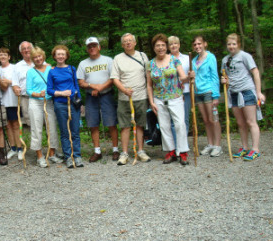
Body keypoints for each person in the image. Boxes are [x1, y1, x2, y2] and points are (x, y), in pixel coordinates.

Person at [221, 33, 266, 161]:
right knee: (240, 123)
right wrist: (225, 81)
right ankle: (244, 147)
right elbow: (227, 77)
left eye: (234, 44)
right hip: (234, 93)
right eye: (229, 44)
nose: (231, 46)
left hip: (246, 91)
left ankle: (255, 149)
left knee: (250, 121)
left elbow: (255, 72)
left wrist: (258, 92)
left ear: (238, 44)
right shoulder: (225, 60)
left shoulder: (245, 56)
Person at [147, 34, 190, 165]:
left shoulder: (174, 60)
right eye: (157, 45)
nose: (160, 48)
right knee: (164, 126)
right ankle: (170, 151)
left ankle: (182, 152)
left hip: (175, 97)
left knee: (180, 124)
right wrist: (151, 101)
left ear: (166, 46)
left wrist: (189, 77)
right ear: (154, 48)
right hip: (159, 99)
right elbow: (149, 84)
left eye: (163, 45)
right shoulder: (150, 64)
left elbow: (182, 77)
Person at [110, 33, 151, 165]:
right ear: (122, 45)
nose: (128, 43)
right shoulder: (117, 58)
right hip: (124, 98)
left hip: (141, 96)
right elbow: (114, 78)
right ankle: (125, 153)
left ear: (134, 43)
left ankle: (140, 151)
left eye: (130, 41)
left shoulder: (142, 56)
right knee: (125, 126)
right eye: (125, 41)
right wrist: (124, 90)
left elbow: (148, 75)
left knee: (140, 124)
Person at [77, 37, 119, 163]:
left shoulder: (108, 60)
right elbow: (80, 81)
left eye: (94, 45)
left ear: (99, 47)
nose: (92, 48)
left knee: (111, 122)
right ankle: (97, 151)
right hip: (91, 97)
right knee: (93, 123)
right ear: (87, 49)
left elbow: (113, 77)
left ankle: (115, 149)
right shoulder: (83, 64)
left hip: (107, 95)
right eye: (89, 46)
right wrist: (93, 86)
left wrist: (100, 87)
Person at [26, 47, 64, 167]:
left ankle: (52, 154)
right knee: (36, 129)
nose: (38, 59)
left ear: (43, 57)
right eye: (35, 57)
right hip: (35, 103)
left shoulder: (50, 69)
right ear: (32, 59)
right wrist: (38, 94)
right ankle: (39, 156)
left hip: (49, 102)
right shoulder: (30, 72)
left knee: (51, 128)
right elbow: (28, 89)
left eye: (39, 56)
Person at [47, 45, 83, 168]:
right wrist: (62, 93)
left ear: (66, 56)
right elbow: (49, 90)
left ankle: (77, 156)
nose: (61, 56)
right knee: (64, 131)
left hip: (73, 102)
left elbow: (76, 86)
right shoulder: (52, 72)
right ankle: (68, 156)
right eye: (58, 54)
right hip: (60, 104)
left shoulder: (72, 69)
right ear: (55, 56)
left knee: (75, 131)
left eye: (63, 54)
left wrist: (79, 100)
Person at [189, 35, 222, 157]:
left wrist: (216, 95)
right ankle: (210, 144)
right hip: (198, 93)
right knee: (206, 120)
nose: (197, 46)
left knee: (213, 119)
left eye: (199, 44)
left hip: (208, 91)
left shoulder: (210, 57)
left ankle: (218, 145)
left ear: (205, 44)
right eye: (195, 44)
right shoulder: (193, 60)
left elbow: (214, 76)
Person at [0, 48, 23, 161]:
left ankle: (20, 148)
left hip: (14, 100)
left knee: (16, 125)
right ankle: (13, 148)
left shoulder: (14, 68)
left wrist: (8, 82)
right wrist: (1, 82)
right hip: (2, 102)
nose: (3, 57)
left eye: (5, 55)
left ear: (9, 57)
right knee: (7, 126)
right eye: (1, 55)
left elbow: (20, 82)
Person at [168, 36, 191, 135]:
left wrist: (185, 78)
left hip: (185, 92)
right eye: (171, 44)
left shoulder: (186, 58)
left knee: (184, 118)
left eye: (175, 43)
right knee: (173, 120)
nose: (173, 46)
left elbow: (191, 76)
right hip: (171, 93)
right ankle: (176, 143)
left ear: (179, 45)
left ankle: (184, 144)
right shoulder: (166, 60)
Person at [12, 41, 33, 127]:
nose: (27, 50)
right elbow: (15, 83)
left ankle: (48, 140)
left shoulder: (40, 62)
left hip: (41, 97)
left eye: (28, 48)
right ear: (21, 52)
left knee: (46, 121)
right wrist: (16, 89)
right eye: (24, 49)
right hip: (25, 98)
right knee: (30, 123)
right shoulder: (17, 66)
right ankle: (34, 140)